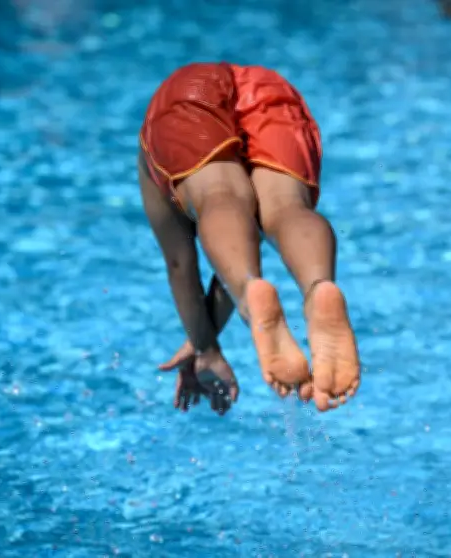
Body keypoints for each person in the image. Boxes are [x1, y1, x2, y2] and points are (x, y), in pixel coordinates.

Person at [138, 62, 360, 415]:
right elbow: (248, 238)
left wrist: (205, 347)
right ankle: (319, 286)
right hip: (270, 86)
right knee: (287, 209)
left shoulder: (153, 164)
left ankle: (247, 288)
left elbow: (181, 266)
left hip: (187, 89)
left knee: (217, 195)